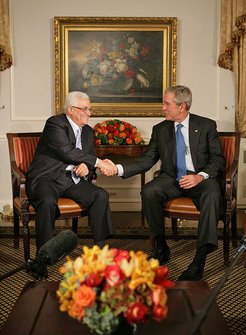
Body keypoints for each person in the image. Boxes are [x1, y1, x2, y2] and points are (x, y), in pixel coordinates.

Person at [102, 85, 226, 281]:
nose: (163, 108)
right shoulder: (160, 129)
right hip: (172, 178)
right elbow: (147, 160)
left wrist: (200, 176)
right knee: (149, 191)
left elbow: (218, 159)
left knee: (212, 194)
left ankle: (199, 260)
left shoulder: (206, 126)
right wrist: (118, 169)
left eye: (167, 104)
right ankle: (161, 247)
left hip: (200, 179)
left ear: (182, 106)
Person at [26, 91, 116, 251]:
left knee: (100, 195)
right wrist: (98, 163)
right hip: (47, 178)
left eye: (90, 109)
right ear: (70, 109)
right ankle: (43, 255)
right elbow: (67, 151)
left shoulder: (88, 131)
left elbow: (88, 157)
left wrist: (86, 167)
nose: (88, 113)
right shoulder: (55, 124)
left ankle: (100, 250)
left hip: (72, 181)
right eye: (84, 109)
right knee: (47, 202)